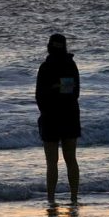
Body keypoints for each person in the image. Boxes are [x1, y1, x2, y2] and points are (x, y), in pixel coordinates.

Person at [36, 33, 80, 204]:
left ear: (49, 47)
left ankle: (51, 199)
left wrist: (47, 106)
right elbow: (75, 93)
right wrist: (60, 88)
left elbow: (39, 96)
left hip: (50, 117)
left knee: (51, 162)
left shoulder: (45, 68)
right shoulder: (71, 65)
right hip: (70, 115)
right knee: (71, 159)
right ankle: (74, 198)